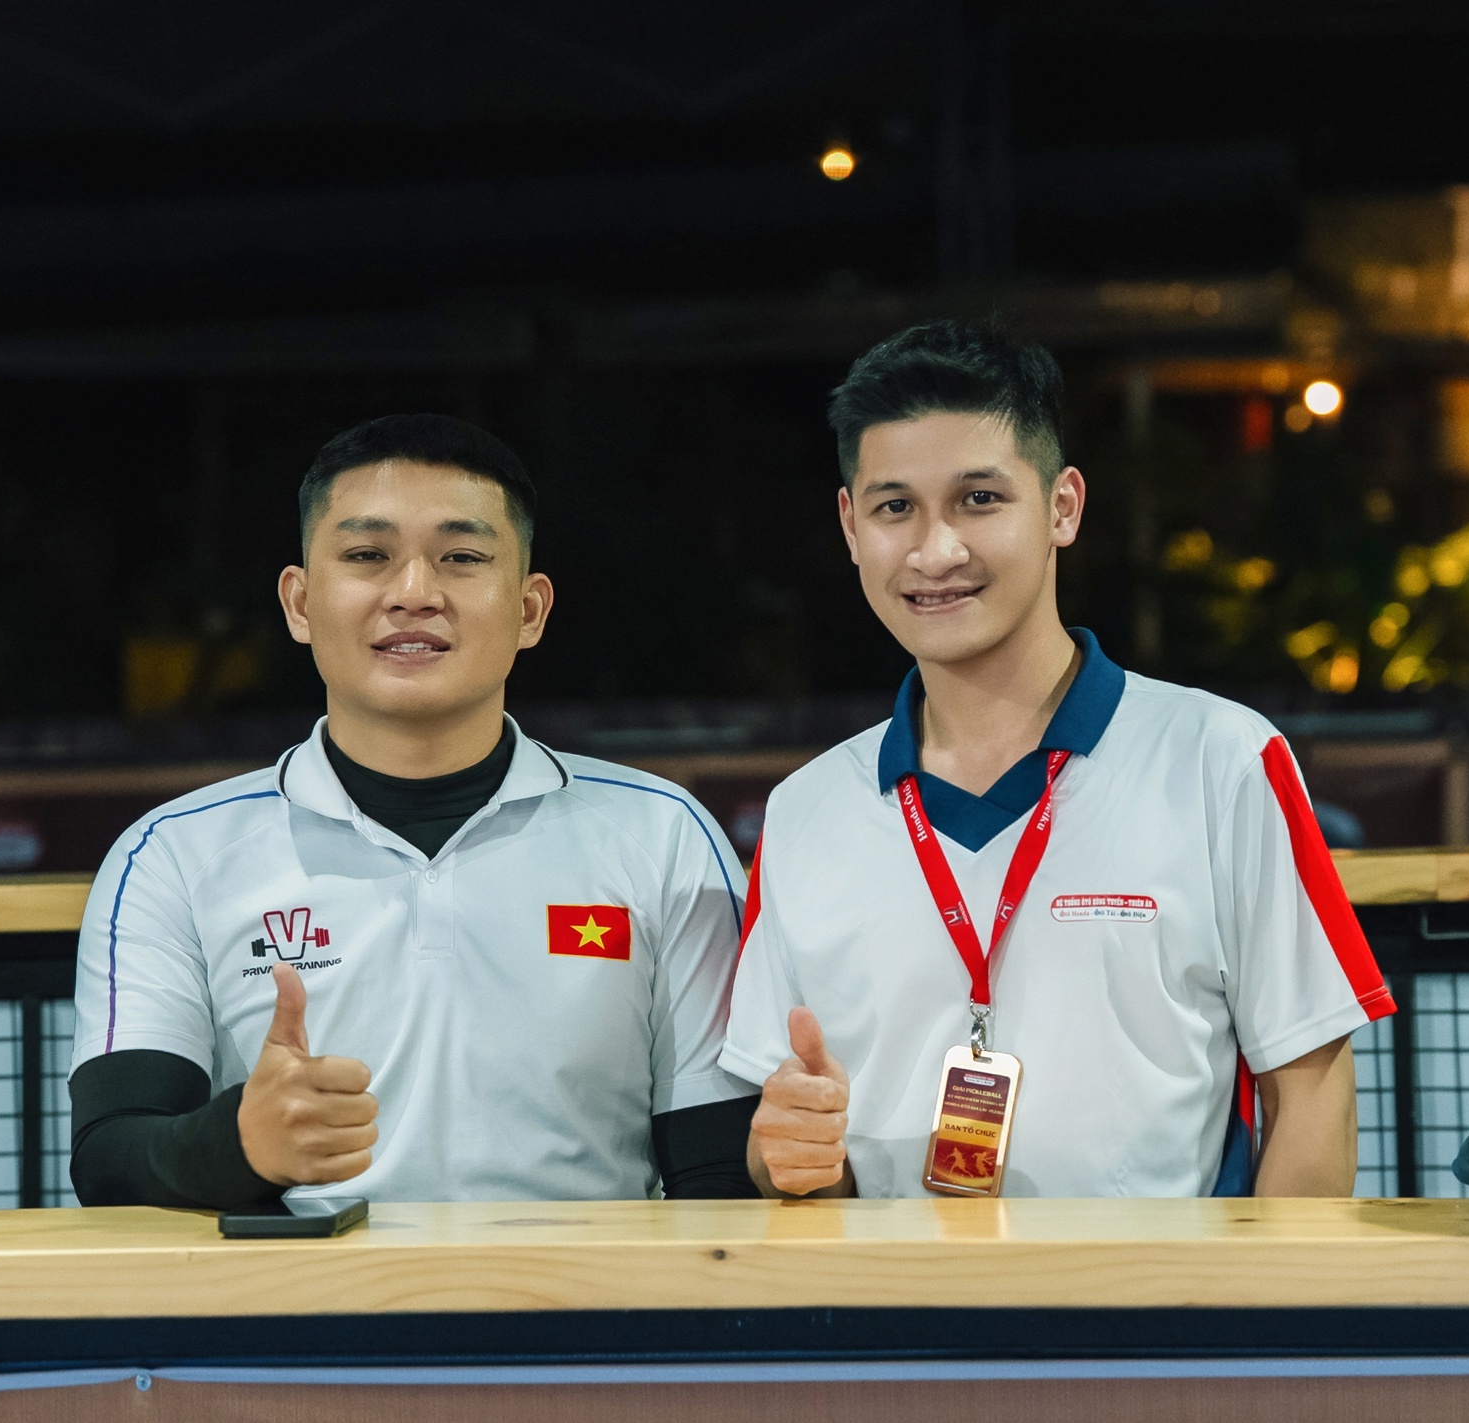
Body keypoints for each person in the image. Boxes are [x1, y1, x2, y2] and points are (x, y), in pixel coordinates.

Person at [722, 323, 1394, 1200]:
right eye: (895, 508)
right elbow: (782, 1145)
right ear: (851, 525)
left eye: (979, 499)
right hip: (891, 1292)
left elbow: (1311, 1096)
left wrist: (1259, 1293)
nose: (935, 550)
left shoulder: (1221, 759)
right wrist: (785, 1154)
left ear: (1063, 507)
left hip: (1159, 1290)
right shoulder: (806, 811)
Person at [68, 414, 758, 1206]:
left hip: (582, 1287)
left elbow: (719, 1174)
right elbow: (111, 1157)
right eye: (368, 555)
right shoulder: (174, 855)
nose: (414, 593)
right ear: (299, 602)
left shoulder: (663, 835)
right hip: (302, 1287)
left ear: (530, 609)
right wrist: (236, 1146)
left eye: (462, 557)